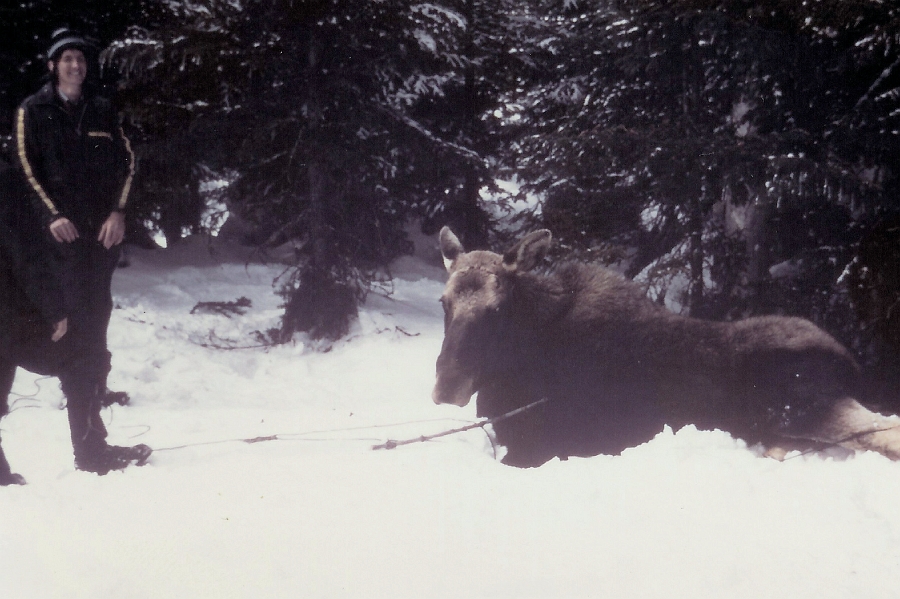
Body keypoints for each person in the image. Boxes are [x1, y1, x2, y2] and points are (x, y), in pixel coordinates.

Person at [0, 155, 150, 485]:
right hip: (12, 319)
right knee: (84, 357)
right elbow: (25, 259)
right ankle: (93, 454)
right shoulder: (8, 184)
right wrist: (55, 311)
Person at [14, 28, 134, 410]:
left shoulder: (102, 109)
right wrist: (52, 216)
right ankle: (75, 390)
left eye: (81, 59)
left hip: (101, 232)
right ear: (53, 66)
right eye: (67, 59)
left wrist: (118, 212)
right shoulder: (33, 110)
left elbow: (128, 163)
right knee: (69, 309)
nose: (75, 65)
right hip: (58, 234)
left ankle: (95, 384)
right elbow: (25, 168)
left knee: (98, 307)